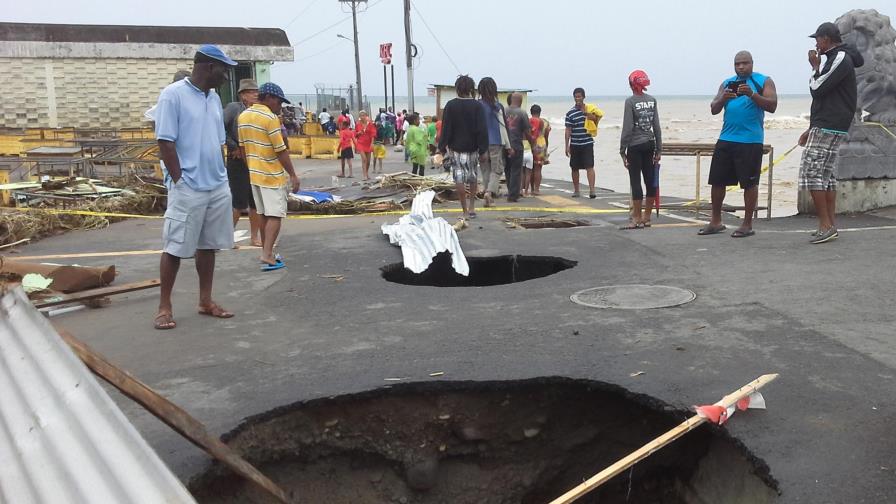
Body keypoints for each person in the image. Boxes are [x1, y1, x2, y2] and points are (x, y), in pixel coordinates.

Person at [152, 45, 237, 330]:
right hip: (188, 185)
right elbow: (165, 141)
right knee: (175, 247)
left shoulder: (213, 98)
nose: (226, 76)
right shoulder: (172, 95)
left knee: (208, 245)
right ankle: (164, 307)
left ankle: (205, 300)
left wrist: (222, 173)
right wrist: (179, 180)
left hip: (216, 183)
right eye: (223, 70)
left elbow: (218, 141)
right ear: (209, 67)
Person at [699, 51, 778, 238]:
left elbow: (772, 105)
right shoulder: (727, 83)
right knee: (717, 181)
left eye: (745, 63)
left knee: (749, 184)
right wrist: (723, 99)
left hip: (750, 140)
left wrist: (752, 94)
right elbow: (713, 109)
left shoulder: (763, 81)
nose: (741, 67)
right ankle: (716, 221)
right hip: (726, 138)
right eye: (737, 64)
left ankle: (747, 224)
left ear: (752, 63)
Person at [799, 22, 864, 244]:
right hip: (829, 123)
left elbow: (817, 89)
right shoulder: (840, 58)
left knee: (812, 172)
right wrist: (810, 128)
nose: (816, 44)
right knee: (826, 175)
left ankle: (826, 225)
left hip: (829, 123)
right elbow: (829, 96)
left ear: (826, 39)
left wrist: (814, 66)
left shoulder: (839, 58)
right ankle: (830, 225)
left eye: (817, 39)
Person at [238, 82, 301, 271]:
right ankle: (266, 254)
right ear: (269, 98)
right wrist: (293, 175)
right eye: (279, 102)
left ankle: (268, 252)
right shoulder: (270, 118)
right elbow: (280, 150)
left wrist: (250, 166)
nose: (280, 106)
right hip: (272, 174)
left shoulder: (243, 116)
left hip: (254, 173)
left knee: (264, 214)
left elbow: (242, 148)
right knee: (275, 215)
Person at [439, 75, 489, 220]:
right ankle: (472, 207)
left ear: (457, 88)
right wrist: (483, 149)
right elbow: (482, 129)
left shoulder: (450, 105)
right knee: (473, 177)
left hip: (455, 148)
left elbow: (446, 128)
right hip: (473, 148)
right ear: (470, 89)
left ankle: (464, 210)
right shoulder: (477, 106)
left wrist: (441, 148)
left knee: (459, 178)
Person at [619, 70, 663, 229]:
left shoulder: (630, 102)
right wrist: (659, 149)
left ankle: (636, 217)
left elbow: (628, 127)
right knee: (650, 180)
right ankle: (647, 217)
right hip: (650, 143)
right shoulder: (652, 100)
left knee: (635, 181)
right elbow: (657, 126)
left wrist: (622, 149)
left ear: (632, 84)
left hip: (635, 146)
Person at [222, 78, 262, 246]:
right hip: (237, 160)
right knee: (238, 201)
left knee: (255, 202)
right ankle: (226, 237)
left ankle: (254, 237)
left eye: (256, 92)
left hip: (254, 159)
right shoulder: (233, 109)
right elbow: (220, 129)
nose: (256, 95)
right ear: (243, 95)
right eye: (252, 92)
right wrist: (233, 147)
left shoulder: (258, 111)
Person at [478, 77, 512, 206]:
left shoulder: (478, 105)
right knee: (496, 169)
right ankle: (489, 192)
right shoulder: (498, 106)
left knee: (485, 169)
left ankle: (488, 195)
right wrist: (508, 146)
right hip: (496, 141)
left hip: (481, 142)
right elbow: (503, 127)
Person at [565, 87, 601, 198]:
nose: (577, 99)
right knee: (574, 167)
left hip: (587, 142)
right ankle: (576, 190)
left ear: (584, 97)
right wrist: (567, 145)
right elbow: (568, 130)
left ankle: (592, 190)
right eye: (576, 97)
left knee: (589, 166)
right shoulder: (570, 113)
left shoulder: (590, 109)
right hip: (575, 143)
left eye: (579, 96)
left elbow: (596, 119)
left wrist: (587, 114)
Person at [504, 92, 533, 202]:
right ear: (520, 101)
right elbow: (527, 131)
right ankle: (513, 195)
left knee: (507, 169)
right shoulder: (522, 113)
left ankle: (510, 191)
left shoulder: (503, 111)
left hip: (504, 144)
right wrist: (532, 143)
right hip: (516, 145)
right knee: (516, 170)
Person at [528, 104, 550, 195]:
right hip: (541, 143)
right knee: (538, 168)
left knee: (530, 168)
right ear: (540, 112)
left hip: (530, 144)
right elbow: (546, 135)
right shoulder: (545, 122)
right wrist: (546, 146)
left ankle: (532, 188)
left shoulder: (528, 121)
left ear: (531, 112)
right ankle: (537, 189)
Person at [355, 110, 377, 180]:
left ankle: (367, 173)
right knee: (364, 159)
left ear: (366, 116)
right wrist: (358, 133)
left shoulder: (370, 124)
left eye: (363, 115)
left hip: (368, 143)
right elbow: (355, 133)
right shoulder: (358, 124)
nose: (362, 117)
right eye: (361, 116)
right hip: (361, 143)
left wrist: (372, 143)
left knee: (368, 161)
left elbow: (373, 134)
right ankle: (364, 175)